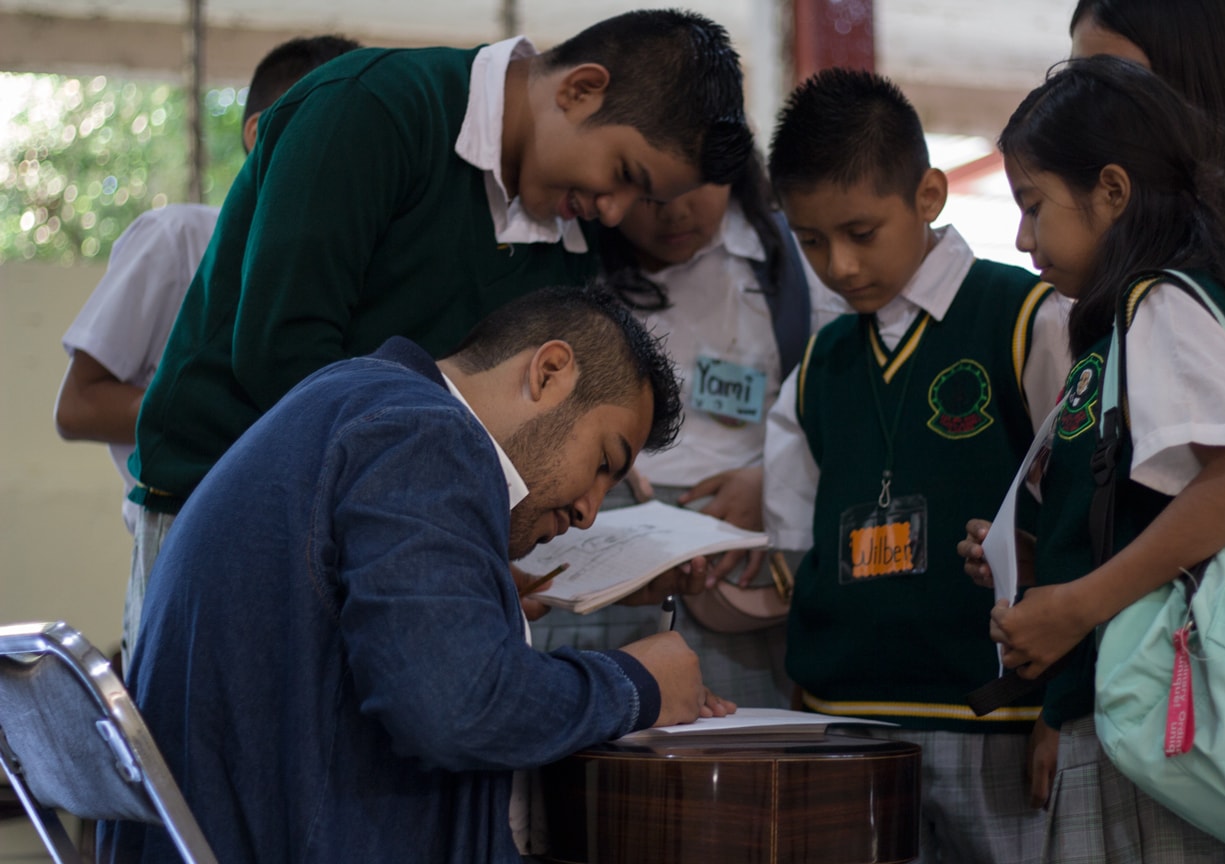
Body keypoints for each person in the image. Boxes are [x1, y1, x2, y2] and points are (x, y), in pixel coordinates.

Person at [122, 7, 751, 660]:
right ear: (580, 89)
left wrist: (486, 549)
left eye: (639, 201)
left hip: (374, 533)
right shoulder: (371, 109)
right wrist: (440, 538)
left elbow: (490, 427)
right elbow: (285, 360)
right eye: (624, 174)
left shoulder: (570, 231)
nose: (615, 210)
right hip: (226, 504)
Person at [100, 286, 735, 864]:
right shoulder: (425, 433)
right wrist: (636, 684)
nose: (589, 512)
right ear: (549, 372)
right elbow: (457, 708)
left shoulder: (354, 400)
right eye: (603, 461)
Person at [959, 55, 1225, 862]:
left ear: (1111, 190)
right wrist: (1048, 561)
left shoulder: (1159, 303)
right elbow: (1153, 508)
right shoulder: (1125, 318)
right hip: (1122, 713)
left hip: (1161, 727)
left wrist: (1076, 605)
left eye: (1033, 206)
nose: (1021, 237)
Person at [762, 67, 1073, 863]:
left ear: (929, 196)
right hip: (845, 718)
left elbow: (1082, 517)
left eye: (861, 232)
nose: (838, 265)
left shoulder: (1029, 318)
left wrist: (1065, 706)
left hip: (995, 715)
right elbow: (793, 534)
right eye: (811, 241)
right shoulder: (820, 362)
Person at [529, 152, 850, 708]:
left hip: (738, 578)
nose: (675, 213)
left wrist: (771, 480)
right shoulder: (559, 260)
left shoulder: (792, 261)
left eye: (696, 187)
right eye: (651, 195)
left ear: (733, 168)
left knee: (738, 763)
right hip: (586, 559)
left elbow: (845, 410)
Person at [53, 34, 361, 539]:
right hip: (185, 532)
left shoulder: (353, 264)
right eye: (329, 136)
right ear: (260, 135)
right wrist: (220, 412)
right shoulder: (179, 238)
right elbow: (77, 406)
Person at [1069, 0, 1225, 366]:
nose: (1090, 103)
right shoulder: (1128, 217)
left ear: (1189, 76)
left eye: (1117, 78)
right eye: (1078, 78)